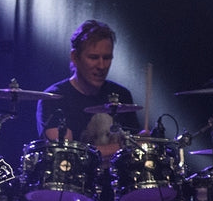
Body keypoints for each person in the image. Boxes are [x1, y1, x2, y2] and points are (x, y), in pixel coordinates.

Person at [36, 19, 142, 162]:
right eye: (93, 57)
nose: (101, 65)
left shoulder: (122, 95)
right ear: (75, 57)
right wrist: (128, 146)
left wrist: (143, 142)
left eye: (107, 58)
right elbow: (67, 154)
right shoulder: (53, 98)